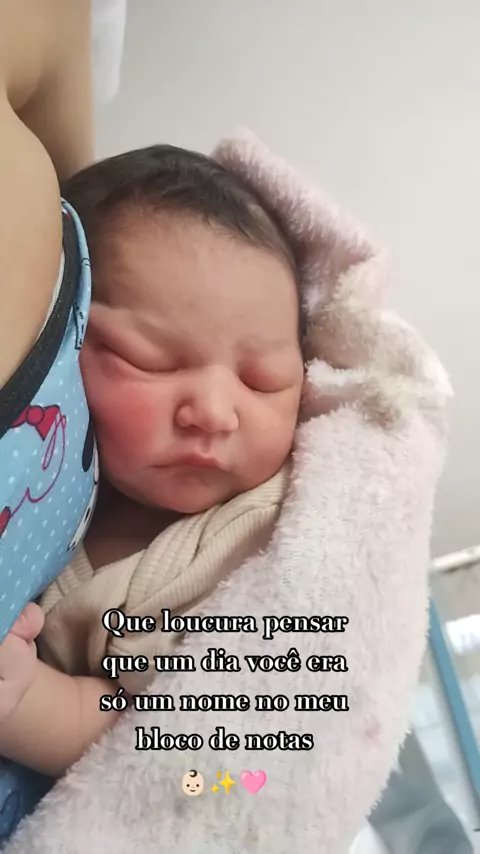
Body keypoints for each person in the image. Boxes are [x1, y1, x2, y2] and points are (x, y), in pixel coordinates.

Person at [0, 143, 305, 831]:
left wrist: (28, 705)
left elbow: (167, 739)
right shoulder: (58, 470)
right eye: (151, 361)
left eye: (262, 380)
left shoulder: (249, 541)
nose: (216, 412)